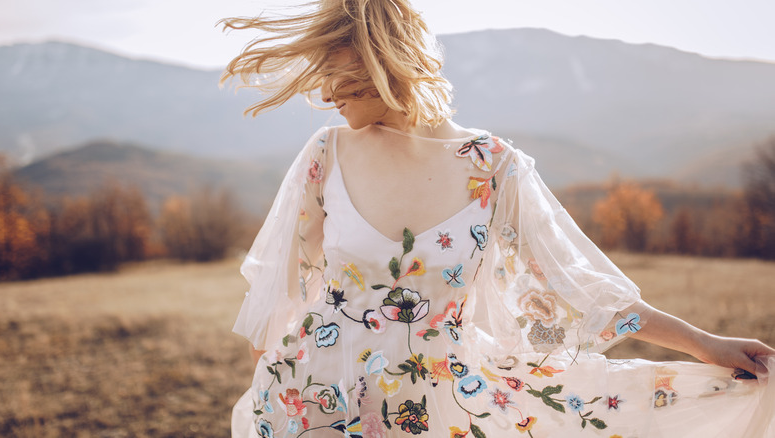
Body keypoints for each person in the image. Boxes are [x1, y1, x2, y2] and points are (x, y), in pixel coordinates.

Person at [221, 1, 775, 436]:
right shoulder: (327, 153)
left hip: (439, 405)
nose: (323, 92)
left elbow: (582, 289)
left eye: (334, 73)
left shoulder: (492, 166)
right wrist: (275, 383)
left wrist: (705, 344)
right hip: (316, 400)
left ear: (379, 57)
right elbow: (281, 293)